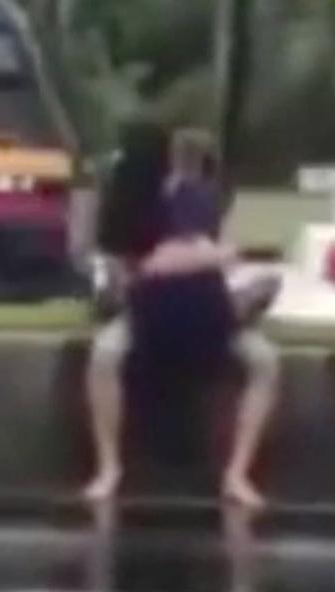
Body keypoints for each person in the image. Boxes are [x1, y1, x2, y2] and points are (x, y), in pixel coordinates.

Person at [85, 126, 279, 509]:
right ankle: (109, 468)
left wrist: (215, 261)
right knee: (104, 354)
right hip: (151, 306)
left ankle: (237, 474)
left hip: (207, 309)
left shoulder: (214, 200)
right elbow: (148, 264)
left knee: (265, 360)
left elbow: (227, 257)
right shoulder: (143, 202)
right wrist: (208, 257)